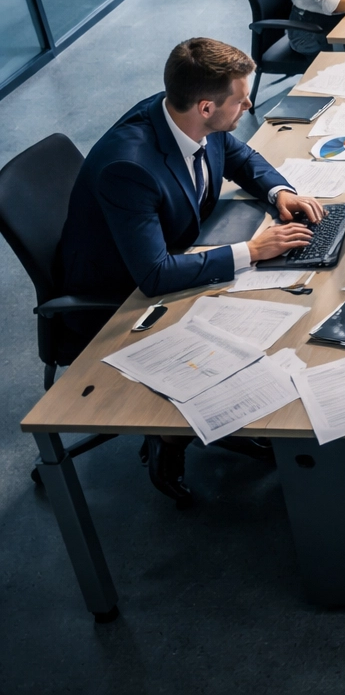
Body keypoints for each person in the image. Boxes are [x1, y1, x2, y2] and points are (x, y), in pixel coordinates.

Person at [57, 38, 327, 504]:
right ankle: (170, 437)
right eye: (241, 100)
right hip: (124, 298)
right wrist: (252, 250)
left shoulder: (182, 115)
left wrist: (278, 192)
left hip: (178, 247)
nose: (250, 104)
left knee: (293, 296)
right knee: (277, 307)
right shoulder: (130, 166)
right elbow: (156, 275)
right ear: (206, 106)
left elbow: (237, 154)